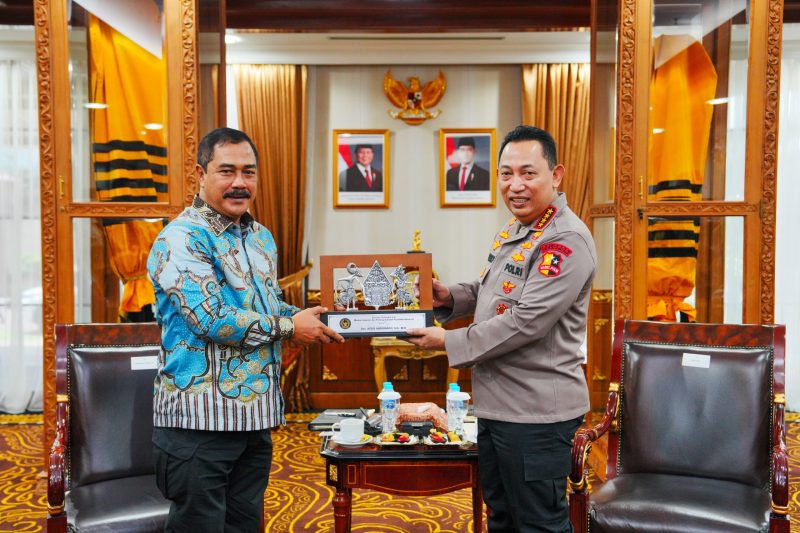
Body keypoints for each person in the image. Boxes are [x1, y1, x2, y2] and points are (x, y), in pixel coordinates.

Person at [147, 127, 344, 532]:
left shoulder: (260, 238)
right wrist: (290, 326)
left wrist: (316, 317)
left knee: (244, 525)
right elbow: (212, 319)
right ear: (200, 174)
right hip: (198, 424)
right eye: (227, 171)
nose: (240, 182)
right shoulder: (182, 238)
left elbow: (266, 305)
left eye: (249, 172)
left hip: (254, 420)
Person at [407, 125, 596, 532]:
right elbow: (493, 292)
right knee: (503, 517)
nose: (516, 185)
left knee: (539, 523)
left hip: (536, 414)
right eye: (507, 174)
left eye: (528, 173)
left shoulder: (563, 241)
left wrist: (447, 340)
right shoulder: (517, 229)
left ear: (556, 175)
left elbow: (526, 321)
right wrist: (449, 297)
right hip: (498, 406)